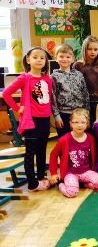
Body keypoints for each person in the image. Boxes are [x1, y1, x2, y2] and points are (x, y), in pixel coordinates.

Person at [2, 47, 53, 191]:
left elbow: (49, 98)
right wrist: (18, 109)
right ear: (28, 60)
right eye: (35, 57)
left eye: (42, 58)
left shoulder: (47, 79)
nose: (39, 60)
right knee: (31, 151)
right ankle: (32, 183)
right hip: (31, 121)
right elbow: (6, 93)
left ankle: (41, 178)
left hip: (44, 120)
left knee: (43, 150)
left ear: (45, 61)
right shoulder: (24, 77)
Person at [49, 108, 98, 197]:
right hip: (70, 173)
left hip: (86, 171)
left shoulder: (90, 138)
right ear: (71, 123)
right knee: (72, 192)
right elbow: (53, 155)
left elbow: (93, 156)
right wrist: (54, 173)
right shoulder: (64, 140)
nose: (79, 125)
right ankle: (61, 184)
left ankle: (82, 184)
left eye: (83, 122)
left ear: (87, 124)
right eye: (76, 122)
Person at [51, 44, 90, 138]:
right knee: (65, 141)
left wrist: (87, 112)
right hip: (64, 114)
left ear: (73, 59)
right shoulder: (53, 77)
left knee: (80, 139)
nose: (65, 59)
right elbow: (53, 98)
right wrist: (56, 116)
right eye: (61, 56)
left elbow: (85, 93)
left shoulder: (78, 74)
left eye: (68, 57)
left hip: (80, 113)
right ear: (56, 58)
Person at [73, 35, 98, 125]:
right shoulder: (78, 65)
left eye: (95, 49)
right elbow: (76, 87)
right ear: (84, 49)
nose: (93, 52)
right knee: (89, 126)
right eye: (89, 49)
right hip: (86, 103)